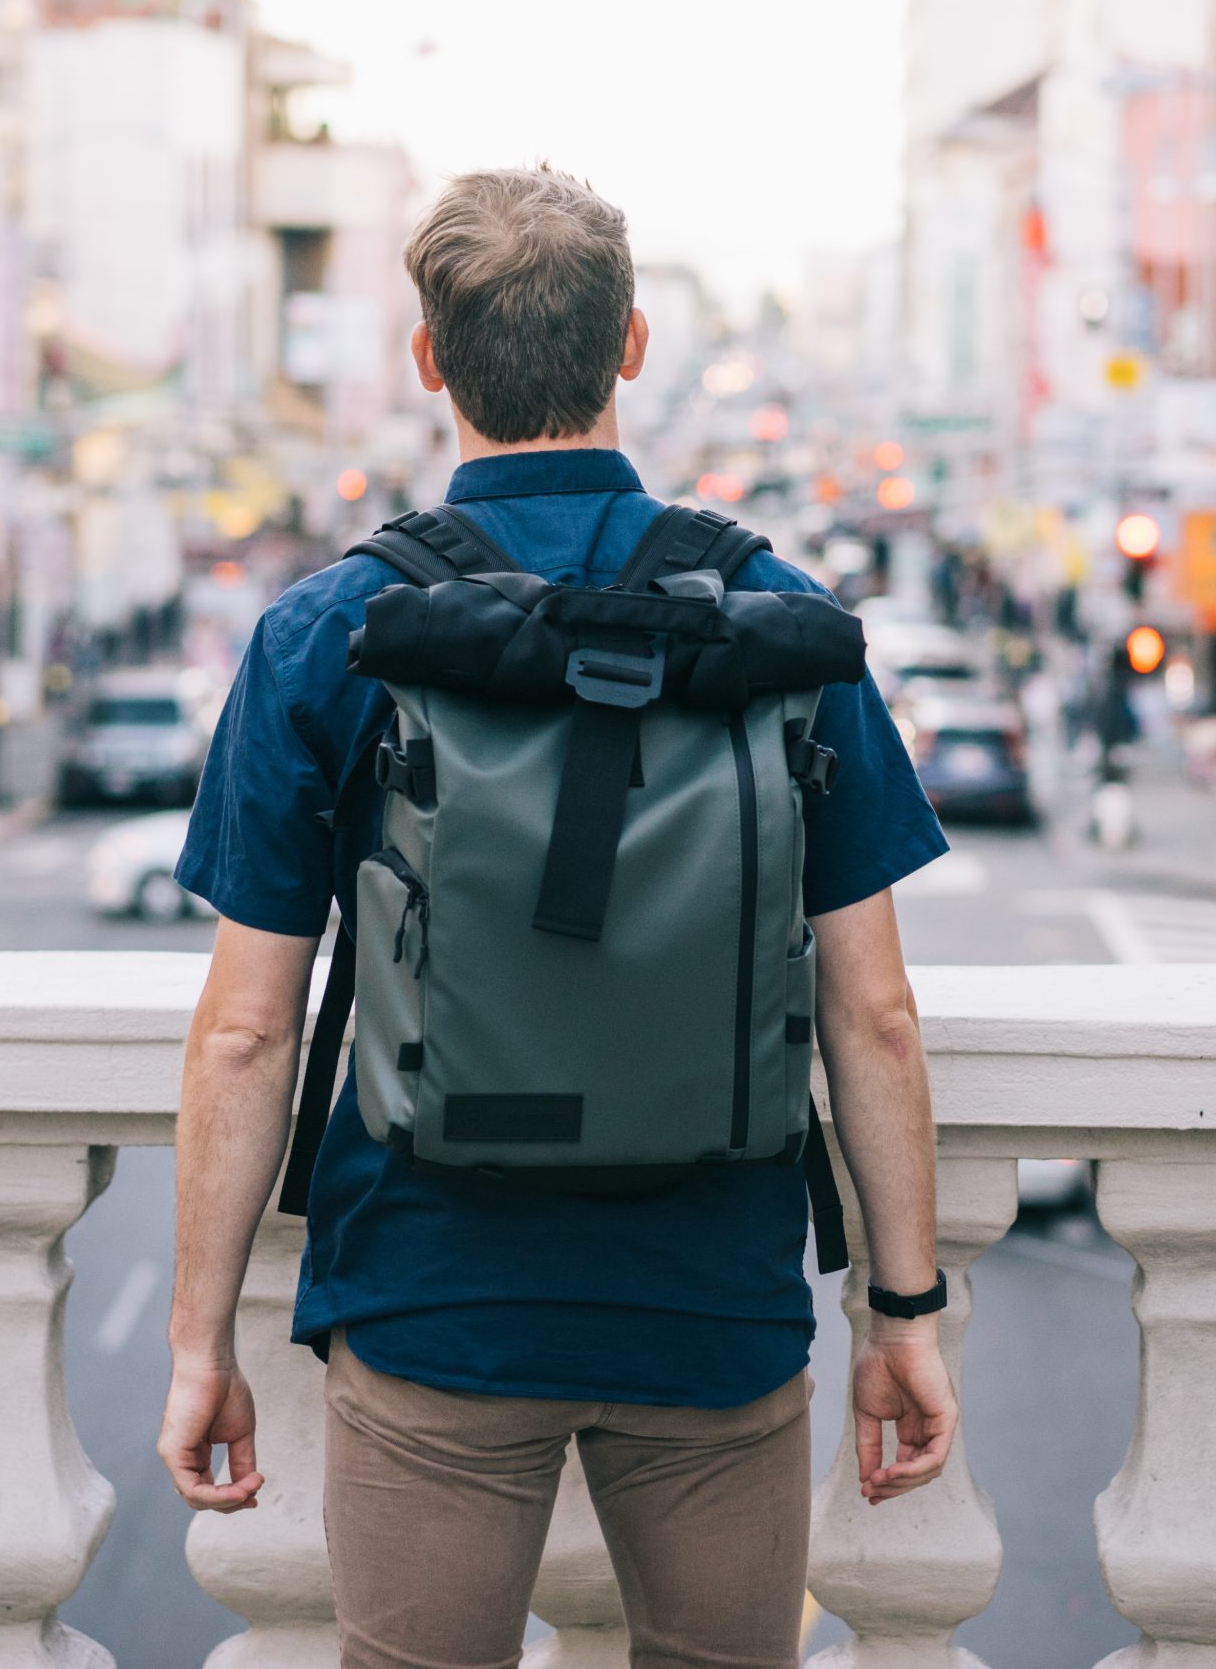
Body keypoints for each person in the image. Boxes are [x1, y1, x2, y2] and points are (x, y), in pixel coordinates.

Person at [158, 166, 957, 1669]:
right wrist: (900, 1313)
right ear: (633, 348)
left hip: (432, 1304)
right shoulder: (777, 624)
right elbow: (874, 1014)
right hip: (711, 1307)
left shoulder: (329, 632)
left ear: (429, 362)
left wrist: (201, 1342)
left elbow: (250, 1029)